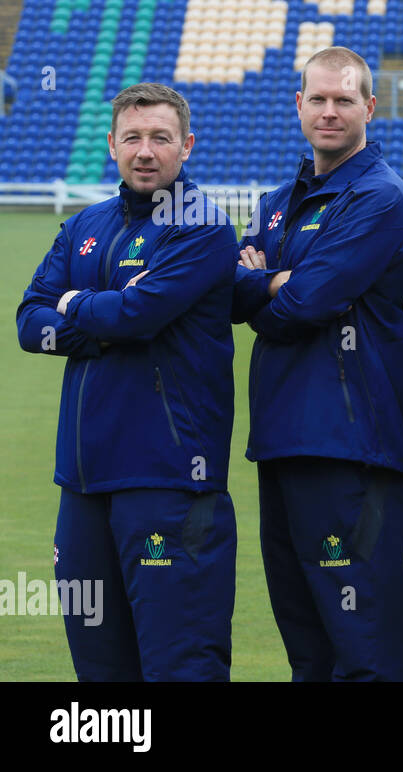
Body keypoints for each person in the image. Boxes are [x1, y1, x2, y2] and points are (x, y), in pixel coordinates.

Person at [16, 83, 237, 680]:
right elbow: (27, 323)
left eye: (160, 138)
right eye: (133, 138)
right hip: (83, 484)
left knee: (178, 666)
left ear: (185, 146)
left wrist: (73, 306)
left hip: (167, 479)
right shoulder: (85, 223)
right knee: (100, 675)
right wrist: (101, 314)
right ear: (111, 144)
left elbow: (137, 317)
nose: (145, 151)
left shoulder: (202, 228)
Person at [232, 46, 403, 681]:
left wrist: (270, 285)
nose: (330, 111)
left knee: (363, 642)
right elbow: (231, 291)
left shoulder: (380, 197)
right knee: (307, 644)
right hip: (282, 440)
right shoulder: (278, 200)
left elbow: (304, 303)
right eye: (318, 99)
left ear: (370, 106)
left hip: (351, 445)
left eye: (344, 100)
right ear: (299, 106)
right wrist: (269, 286)